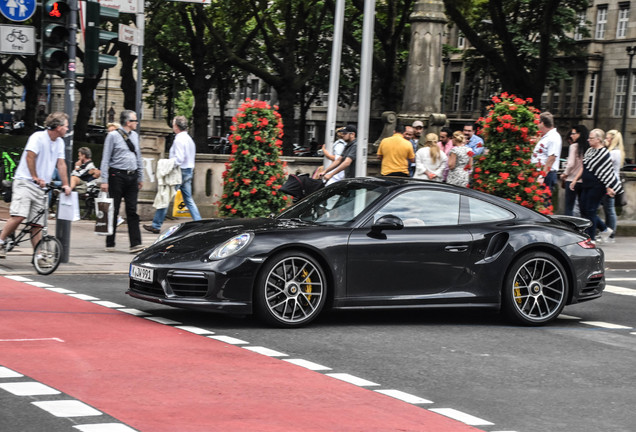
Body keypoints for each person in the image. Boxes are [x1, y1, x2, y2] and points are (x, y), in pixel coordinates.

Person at [0, 112, 72, 258]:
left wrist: (66, 184)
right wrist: (34, 177)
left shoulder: (59, 143)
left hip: (41, 188)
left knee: (37, 225)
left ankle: (38, 255)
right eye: (66, 126)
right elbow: (30, 156)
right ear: (57, 127)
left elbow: (61, 164)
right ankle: (1, 241)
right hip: (25, 182)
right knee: (19, 216)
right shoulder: (38, 137)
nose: (68, 129)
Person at [144, 116, 201, 234]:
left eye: (173, 124)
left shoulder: (179, 139)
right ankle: (199, 223)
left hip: (179, 172)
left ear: (176, 126)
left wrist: (168, 165)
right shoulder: (189, 139)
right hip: (188, 170)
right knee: (188, 199)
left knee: (165, 197)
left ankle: (156, 225)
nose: (172, 126)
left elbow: (179, 159)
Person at [99, 110, 144, 253]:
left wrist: (140, 175)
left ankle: (135, 243)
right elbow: (105, 158)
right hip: (117, 175)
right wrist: (104, 180)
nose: (137, 123)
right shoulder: (113, 136)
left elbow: (138, 156)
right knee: (114, 208)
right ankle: (110, 242)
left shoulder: (135, 136)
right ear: (128, 122)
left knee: (132, 209)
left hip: (132, 176)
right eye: (135, 120)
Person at [570, 128, 622, 243]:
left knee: (591, 211)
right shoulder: (589, 151)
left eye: (591, 138)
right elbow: (584, 167)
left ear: (598, 140)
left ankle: (591, 238)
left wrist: (609, 187)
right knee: (583, 209)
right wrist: (575, 179)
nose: (588, 140)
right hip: (586, 184)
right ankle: (604, 229)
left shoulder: (604, 153)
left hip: (597, 186)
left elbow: (607, 172)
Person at [600, 129, 625, 243]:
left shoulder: (613, 152)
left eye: (608, 137)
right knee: (608, 209)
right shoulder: (617, 152)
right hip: (613, 181)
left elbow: (604, 164)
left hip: (611, 183)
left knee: (609, 209)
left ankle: (611, 234)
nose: (606, 139)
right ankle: (608, 232)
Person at [560, 125, 589, 216]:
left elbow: (571, 163)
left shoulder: (573, 146)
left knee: (569, 207)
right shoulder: (587, 147)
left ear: (579, 134)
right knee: (582, 207)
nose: (571, 136)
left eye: (573, 133)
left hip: (571, 179)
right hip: (583, 180)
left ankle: (568, 228)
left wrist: (564, 174)